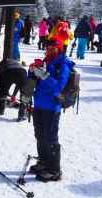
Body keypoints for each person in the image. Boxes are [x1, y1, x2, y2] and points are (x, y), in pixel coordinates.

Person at [28, 38, 73, 182]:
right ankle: (44, 162)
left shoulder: (63, 65)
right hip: (39, 103)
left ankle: (55, 170)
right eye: (47, 47)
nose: (49, 49)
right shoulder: (45, 61)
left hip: (52, 106)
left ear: (59, 48)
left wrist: (44, 75)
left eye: (53, 47)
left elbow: (58, 87)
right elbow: (35, 82)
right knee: (40, 134)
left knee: (50, 136)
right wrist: (32, 71)